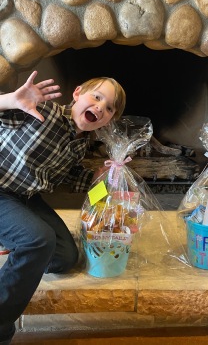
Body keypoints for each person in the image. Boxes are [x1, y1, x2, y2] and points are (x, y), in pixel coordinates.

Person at [0, 71, 126, 344]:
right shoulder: (41, 108)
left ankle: (13, 233)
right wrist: (10, 99)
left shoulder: (80, 145)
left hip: (25, 198)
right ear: (77, 92)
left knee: (65, 258)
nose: (100, 108)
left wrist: (104, 181)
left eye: (109, 108)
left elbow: (75, 180)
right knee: (37, 241)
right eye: (97, 96)